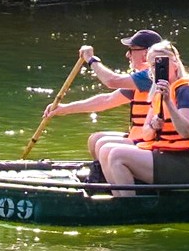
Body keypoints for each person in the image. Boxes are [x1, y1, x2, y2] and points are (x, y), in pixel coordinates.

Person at [99, 41, 189, 189]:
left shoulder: (187, 89)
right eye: (153, 65)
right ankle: (123, 201)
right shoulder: (158, 91)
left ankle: (128, 205)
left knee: (117, 155)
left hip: (187, 162)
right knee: (105, 150)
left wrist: (168, 102)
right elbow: (147, 135)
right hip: (166, 152)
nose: (157, 68)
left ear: (174, 62)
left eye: (161, 62)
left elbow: (185, 131)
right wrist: (154, 125)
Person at [41, 29, 163, 167]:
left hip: (153, 141)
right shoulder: (141, 79)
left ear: (146, 53)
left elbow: (111, 81)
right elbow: (107, 100)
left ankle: (119, 178)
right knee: (95, 139)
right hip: (139, 136)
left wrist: (91, 60)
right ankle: (107, 175)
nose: (127, 54)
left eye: (131, 50)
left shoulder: (152, 76)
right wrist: (64, 109)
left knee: (102, 144)